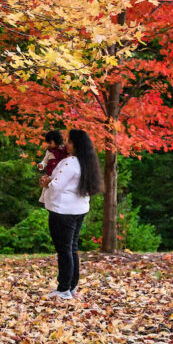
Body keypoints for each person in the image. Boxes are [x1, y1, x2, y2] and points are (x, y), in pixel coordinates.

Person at [42, 128, 101, 300]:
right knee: (72, 247)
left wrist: (46, 183)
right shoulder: (87, 162)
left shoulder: (70, 163)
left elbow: (56, 186)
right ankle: (71, 285)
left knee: (64, 249)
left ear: (76, 145)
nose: (65, 144)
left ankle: (64, 288)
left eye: (69, 141)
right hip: (79, 209)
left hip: (63, 211)